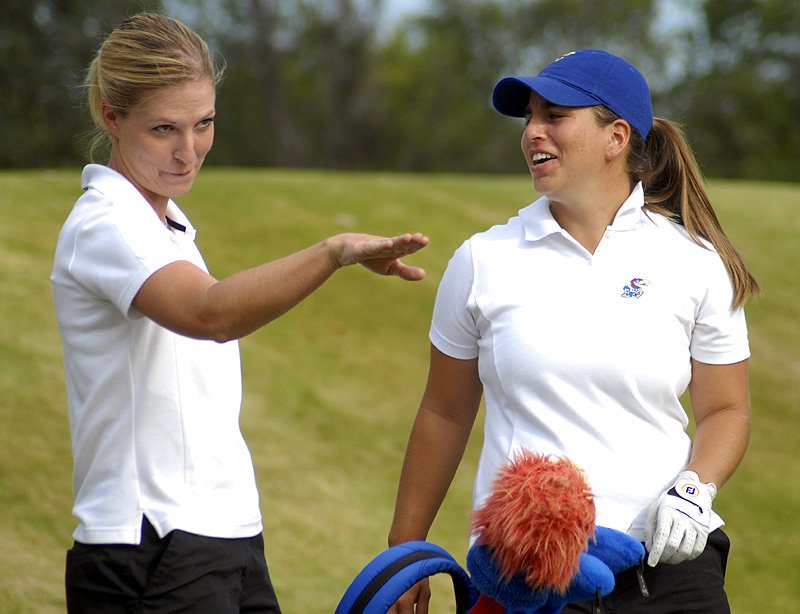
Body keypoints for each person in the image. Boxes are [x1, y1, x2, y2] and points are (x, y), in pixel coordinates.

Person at [51, 12, 428, 613]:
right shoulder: (105, 223)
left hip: (223, 536)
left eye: (204, 124)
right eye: (164, 129)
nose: (188, 150)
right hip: (151, 544)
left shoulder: (163, 225)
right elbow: (210, 314)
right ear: (110, 116)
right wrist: (334, 252)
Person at [387, 49, 758, 613]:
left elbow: (726, 410)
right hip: (526, 573)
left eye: (555, 115)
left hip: (670, 569)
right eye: (529, 117)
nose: (533, 132)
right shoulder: (483, 259)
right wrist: (405, 551)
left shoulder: (695, 260)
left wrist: (694, 489)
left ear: (616, 136)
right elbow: (444, 412)